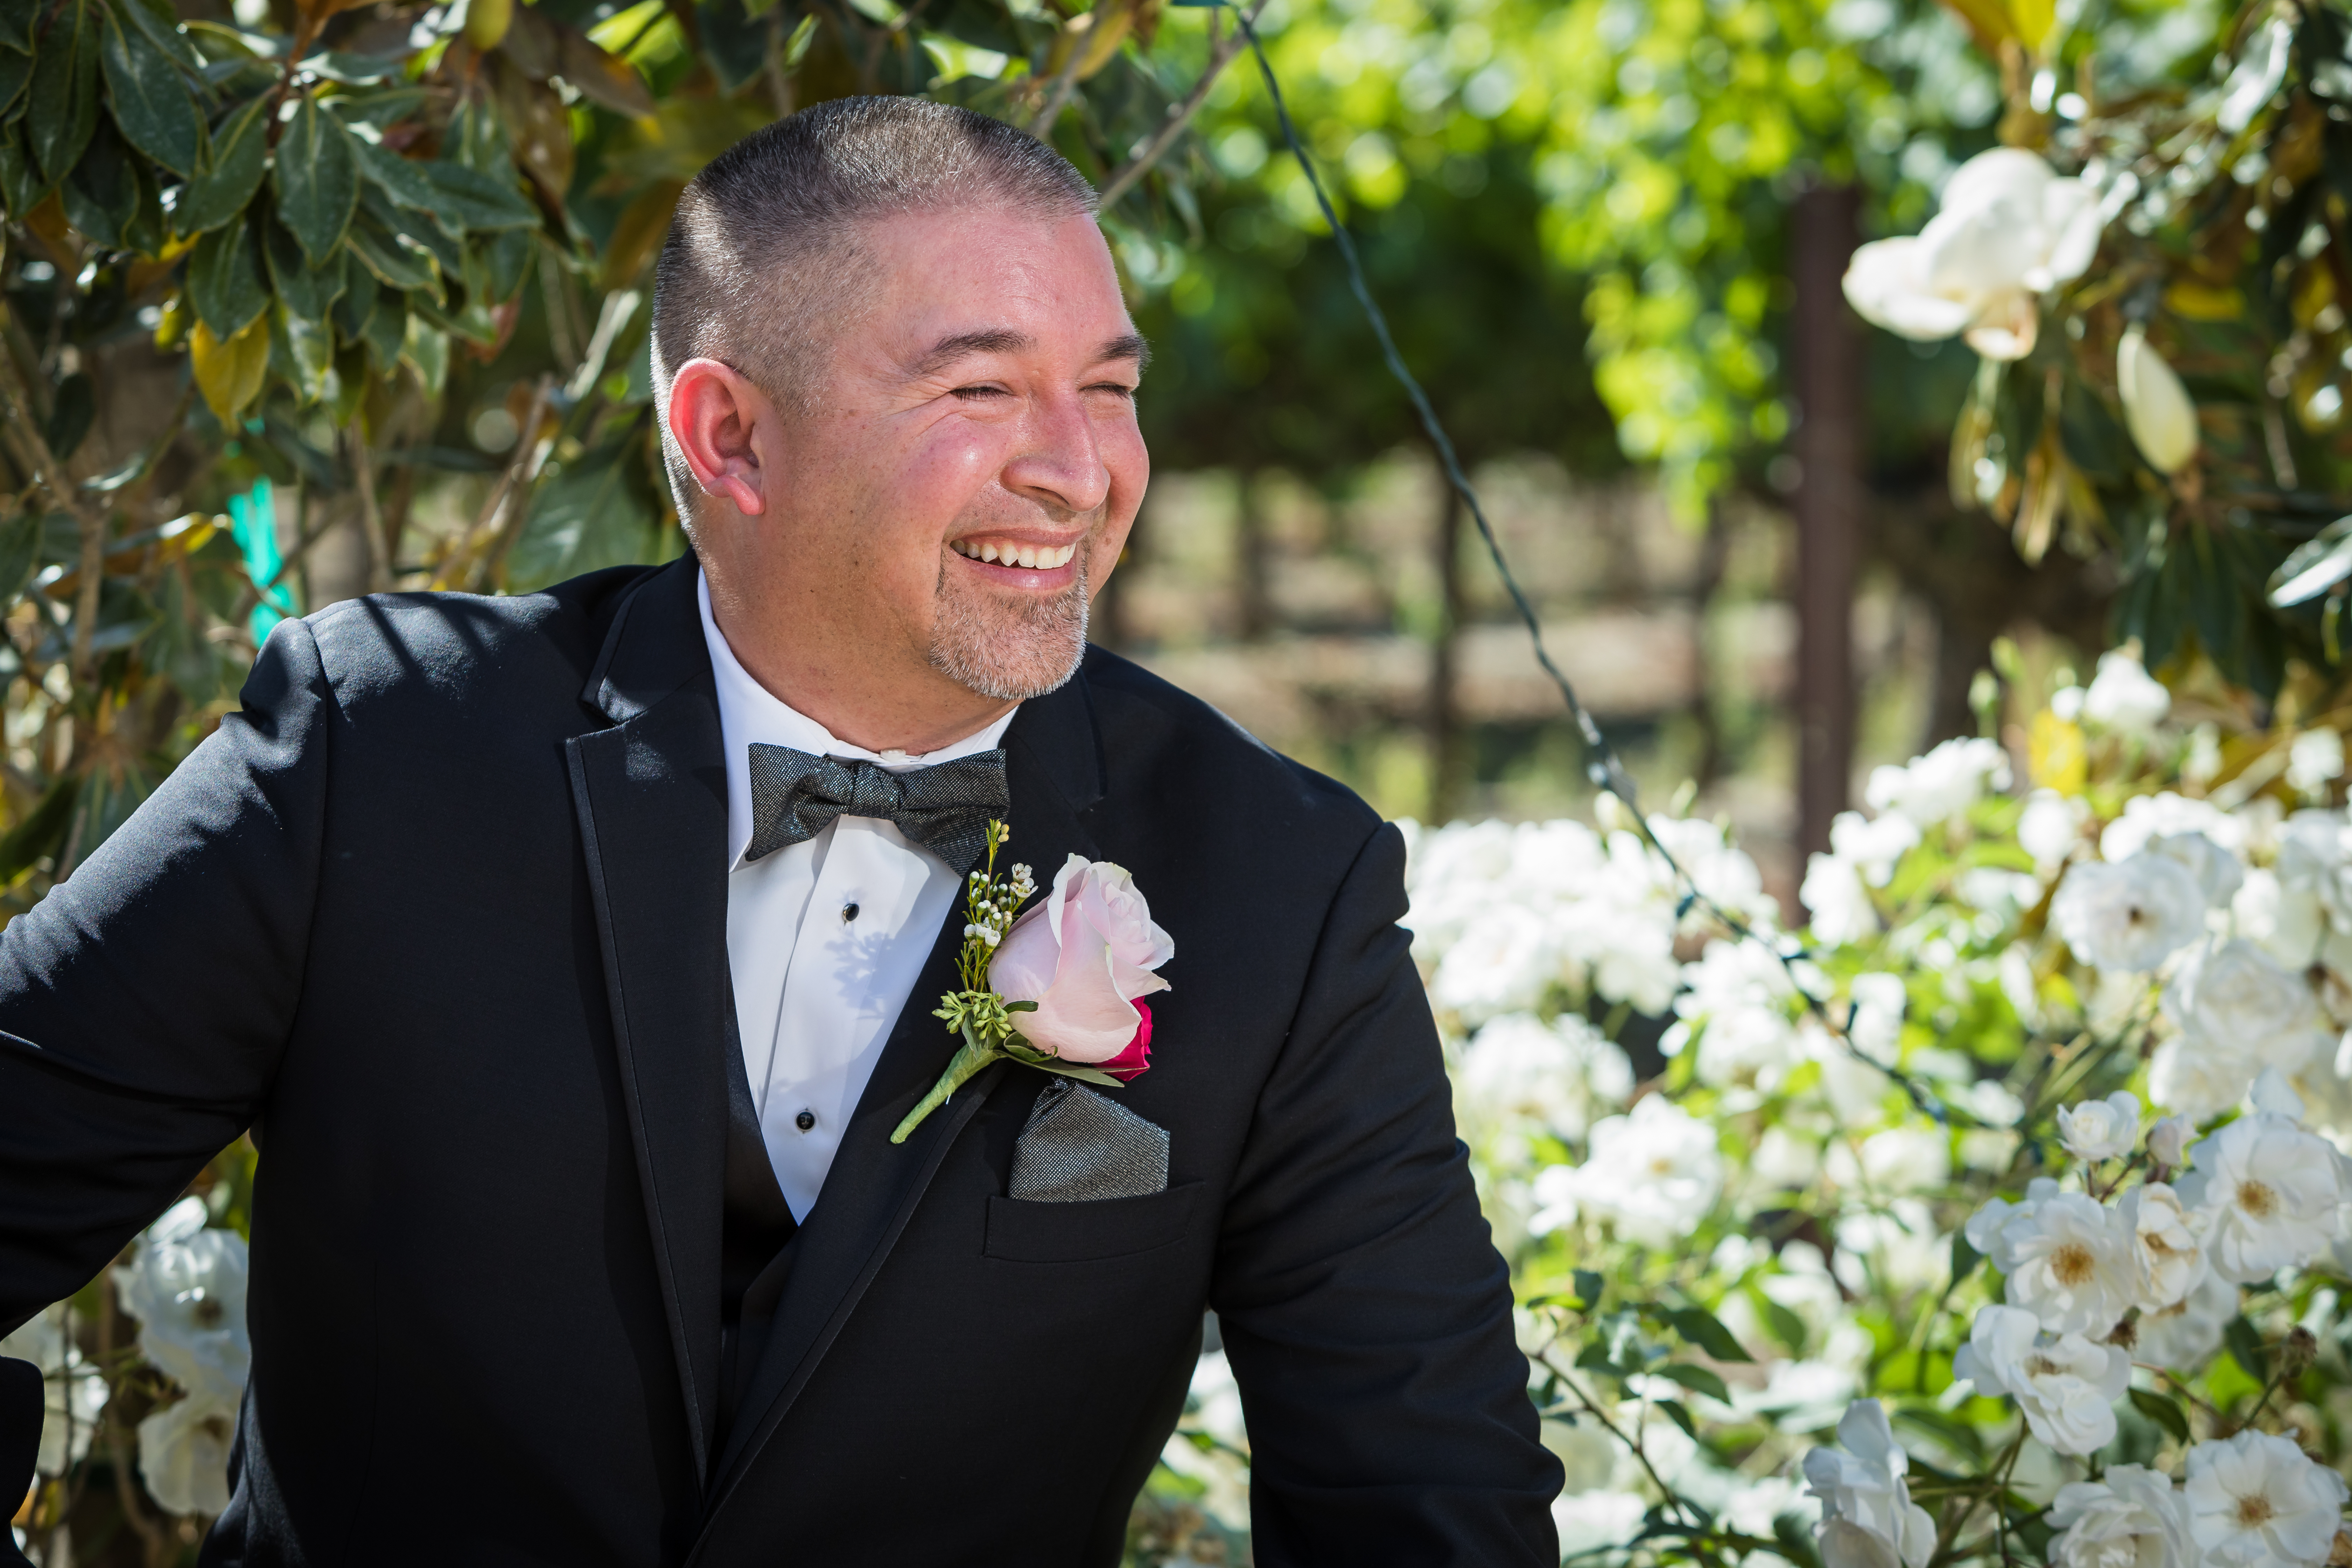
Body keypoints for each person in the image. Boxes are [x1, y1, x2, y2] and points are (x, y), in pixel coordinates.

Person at [0, 97, 1561, 1564]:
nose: (1082, 471)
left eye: (1111, 387)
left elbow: (1428, 1496)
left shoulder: (1280, 880)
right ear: (731, 437)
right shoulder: (378, 747)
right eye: (979, 387)